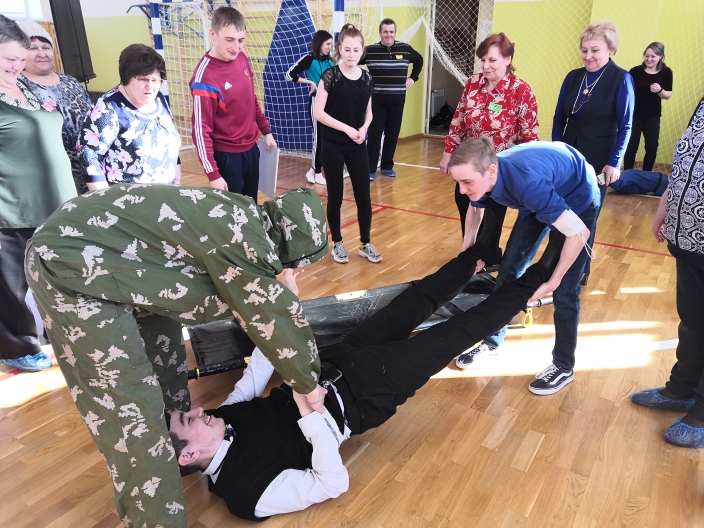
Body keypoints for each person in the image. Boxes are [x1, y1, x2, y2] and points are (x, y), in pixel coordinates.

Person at [166, 225, 566, 520]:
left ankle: (477, 255)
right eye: (189, 420)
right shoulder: (247, 494)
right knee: (457, 332)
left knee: (413, 301)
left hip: (340, 360)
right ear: (189, 454)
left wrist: (282, 304)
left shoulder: (223, 416)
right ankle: (539, 278)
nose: (199, 410)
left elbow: (257, 371)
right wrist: (307, 413)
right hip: (366, 394)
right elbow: (332, 483)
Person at [25, 184, 330, 526]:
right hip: (70, 266)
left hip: (122, 263)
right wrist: (308, 385)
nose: (300, 270)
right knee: (133, 414)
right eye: (302, 262)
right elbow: (275, 323)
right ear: (291, 244)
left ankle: (178, 456)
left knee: (167, 366)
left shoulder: (246, 217)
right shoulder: (246, 243)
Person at [450, 138, 600, 395]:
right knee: (509, 271)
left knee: (565, 289)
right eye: (458, 183)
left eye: (467, 183)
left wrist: (552, 282)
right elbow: (475, 210)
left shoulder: (528, 186)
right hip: (543, 188)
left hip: (578, 195)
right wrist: (467, 252)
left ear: (491, 172)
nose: (462, 190)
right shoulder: (487, 175)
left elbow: (579, 233)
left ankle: (564, 365)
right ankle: (492, 343)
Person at [0, 15, 76, 373]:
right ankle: (18, 346)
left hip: (57, 203)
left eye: (21, 58)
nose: (17, 65)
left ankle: (60, 332)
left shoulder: (25, 88)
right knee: (13, 287)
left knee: (57, 275)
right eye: (9, 59)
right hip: (12, 209)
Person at [629, 96, 704, 449]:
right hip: (688, 234)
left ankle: (702, 412)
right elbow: (687, 160)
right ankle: (681, 388)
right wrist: (666, 204)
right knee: (692, 318)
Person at [552, 21, 634, 285]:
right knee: (560, 209)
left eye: (595, 50)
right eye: (584, 50)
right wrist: (557, 150)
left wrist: (615, 162)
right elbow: (559, 117)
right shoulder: (573, 77)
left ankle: (578, 271)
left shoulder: (621, 79)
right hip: (569, 154)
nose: (588, 56)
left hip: (599, 157)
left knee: (587, 214)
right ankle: (553, 264)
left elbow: (626, 125)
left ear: (610, 49)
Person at [438, 32, 539, 242]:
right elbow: (458, 120)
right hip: (469, 163)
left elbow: (529, 136)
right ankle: (470, 252)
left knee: (491, 218)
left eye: (492, 60)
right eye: (483, 60)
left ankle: (487, 254)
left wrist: (525, 172)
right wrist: (448, 153)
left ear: (508, 59)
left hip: (499, 168)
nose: (485, 66)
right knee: (464, 203)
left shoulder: (521, 90)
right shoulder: (472, 83)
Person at [190, 6, 277, 203]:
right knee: (231, 215)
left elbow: (250, 99)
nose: (236, 47)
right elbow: (200, 131)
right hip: (226, 158)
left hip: (251, 150)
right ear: (213, 34)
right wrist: (213, 174)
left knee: (250, 207)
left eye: (241, 40)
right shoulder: (204, 78)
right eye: (229, 40)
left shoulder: (242, 58)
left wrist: (266, 131)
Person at [314, 24, 382, 265]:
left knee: (364, 196)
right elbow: (318, 113)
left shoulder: (367, 79)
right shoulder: (330, 76)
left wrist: (364, 129)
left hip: (357, 145)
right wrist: (347, 129)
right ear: (339, 49)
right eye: (347, 49)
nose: (351, 54)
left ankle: (365, 243)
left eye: (356, 50)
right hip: (333, 144)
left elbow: (369, 112)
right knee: (336, 197)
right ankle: (338, 243)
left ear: (362, 51)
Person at [78, 44, 181, 190]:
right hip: (127, 197)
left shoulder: (159, 99)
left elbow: (168, 137)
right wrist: (104, 197)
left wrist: (177, 176)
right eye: (143, 79)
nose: (150, 86)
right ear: (126, 78)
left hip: (166, 191)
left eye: (155, 80)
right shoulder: (108, 108)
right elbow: (89, 156)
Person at [15, 18, 93, 195]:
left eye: (46, 47)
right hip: (49, 174)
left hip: (87, 167)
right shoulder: (17, 86)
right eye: (33, 48)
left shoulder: (70, 81)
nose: (41, 53)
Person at [361, 18, 423, 180]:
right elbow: (353, 62)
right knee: (374, 135)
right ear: (380, 33)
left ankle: (387, 166)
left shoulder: (405, 49)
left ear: (395, 33)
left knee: (392, 134)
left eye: (391, 32)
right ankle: (370, 169)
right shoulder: (370, 51)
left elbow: (419, 60)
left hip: (398, 100)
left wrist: (413, 77)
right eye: (385, 32)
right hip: (377, 101)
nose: (388, 35)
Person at [288, 30, 334, 186]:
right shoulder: (309, 59)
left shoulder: (331, 62)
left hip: (330, 104)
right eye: (327, 44)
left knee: (327, 138)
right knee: (318, 137)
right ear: (319, 43)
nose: (330, 47)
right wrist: (310, 83)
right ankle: (317, 171)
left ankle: (313, 170)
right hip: (316, 102)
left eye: (331, 44)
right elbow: (289, 74)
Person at [623, 42, 673, 172]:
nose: (649, 59)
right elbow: (626, 91)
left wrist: (660, 90)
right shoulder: (635, 71)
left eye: (653, 56)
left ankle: (646, 175)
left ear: (661, 56)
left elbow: (668, 95)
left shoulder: (666, 72)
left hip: (652, 117)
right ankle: (627, 174)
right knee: (631, 147)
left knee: (651, 147)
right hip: (634, 116)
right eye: (647, 56)